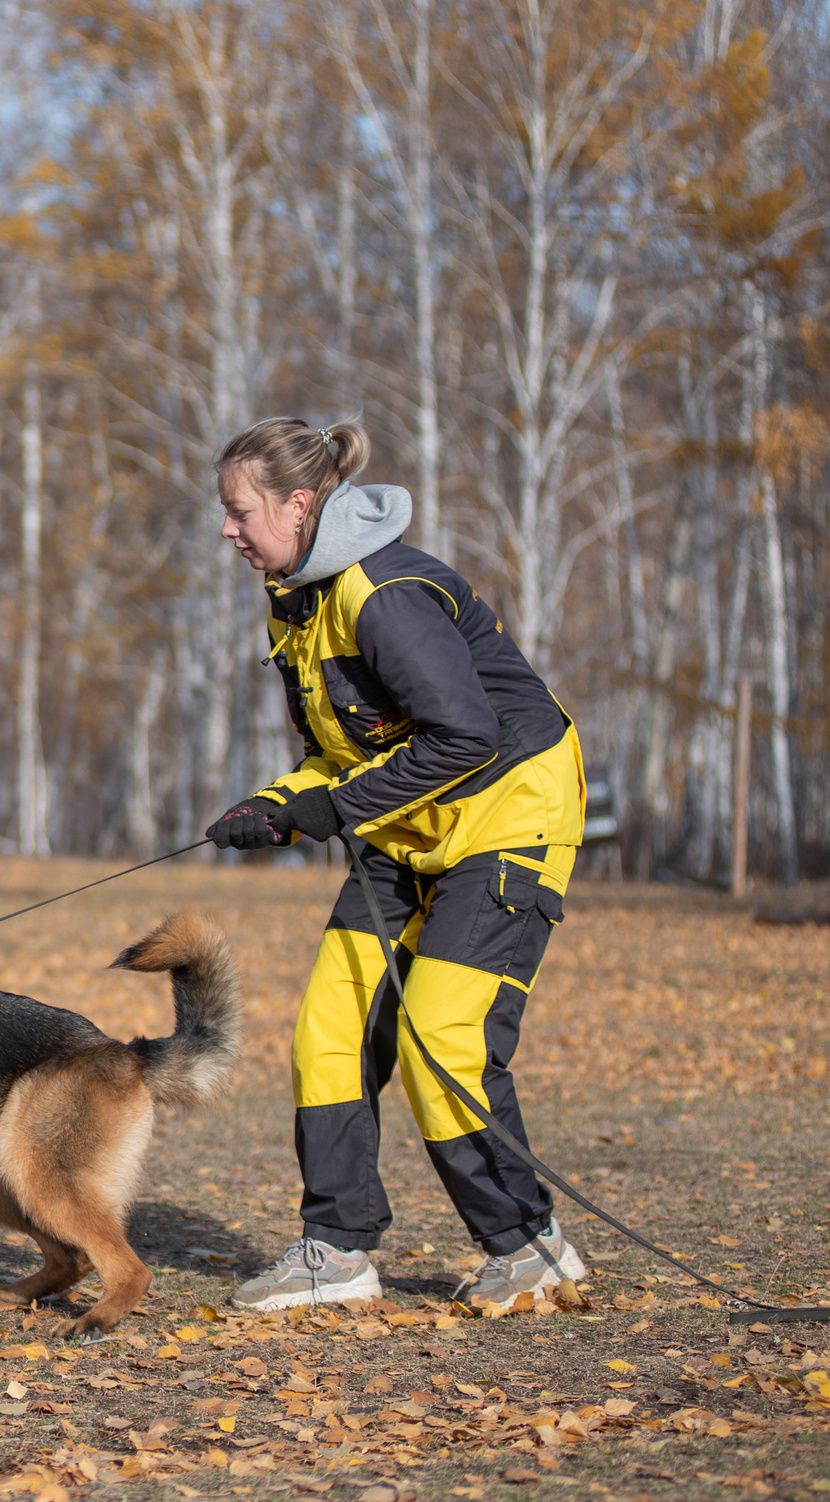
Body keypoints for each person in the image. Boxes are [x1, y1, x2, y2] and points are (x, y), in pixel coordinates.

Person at [205, 418, 590, 1314]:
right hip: (408, 825)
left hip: (506, 816)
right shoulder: (297, 598)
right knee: (328, 1030)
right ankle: (335, 1252)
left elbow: (465, 736)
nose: (227, 529)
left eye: (240, 511)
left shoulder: (382, 594)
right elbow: (347, 747)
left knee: (442, 1035)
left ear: (298, 505)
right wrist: (280, 801)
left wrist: (332, 808)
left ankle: (527, 1247)